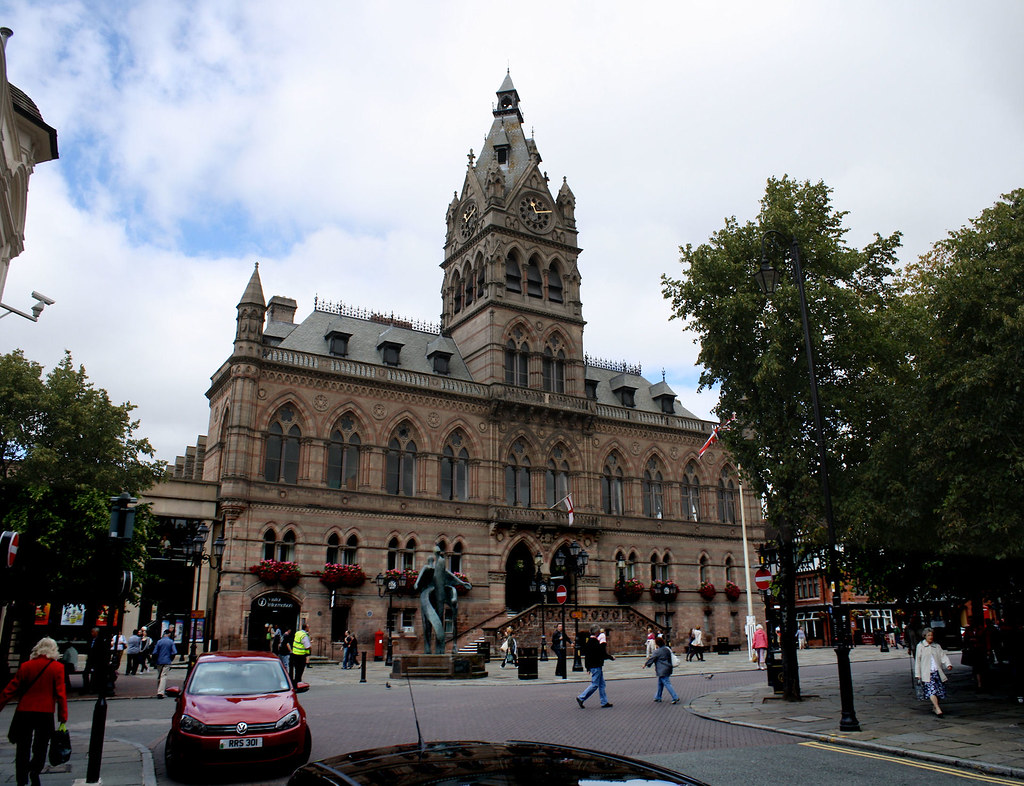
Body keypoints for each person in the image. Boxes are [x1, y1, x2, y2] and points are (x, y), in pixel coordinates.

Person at [0, 637, 68, 786]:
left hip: (24, 711)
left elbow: (10, 689)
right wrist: (63, 716)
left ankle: (21, 778)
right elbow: (61, 694)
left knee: (22, 747)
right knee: (41, 745)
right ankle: (35, 770)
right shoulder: (57, 668)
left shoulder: (26, 666)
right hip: (45, 712)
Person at [915, 626, 953, 717]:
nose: (930, 637)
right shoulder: (920, 646)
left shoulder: (936, 646)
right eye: (928, 635)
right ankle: (938, 708)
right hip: (927, 673)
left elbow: (943, 656)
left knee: (939, 691)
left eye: (931, 635)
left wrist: (948, 664)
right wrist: (918, 674)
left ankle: (935, 707)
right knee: (931, 691)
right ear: (925, 636)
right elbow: (918, 661)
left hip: (937, 672)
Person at [576, 625, 614, 708]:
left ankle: (604, 702)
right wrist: (611, 657)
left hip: (594, 666)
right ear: (596, 632)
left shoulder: (589, 642)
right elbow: (602, 653)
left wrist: (587, 667)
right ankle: (581, 697)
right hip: (596, 666)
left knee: (602, 684)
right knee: (595, 684)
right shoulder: (595, 642)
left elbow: (587, 656)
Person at [644, 635, 680, 704]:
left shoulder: (657, 651)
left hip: (661, 670)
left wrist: (646, 664)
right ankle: (658, 697)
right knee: (660, 683)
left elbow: (652, 659)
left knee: (666, 683)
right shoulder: (667, 649)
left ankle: (675, 697)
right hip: (668, 668)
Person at [154, 629, 178, 698]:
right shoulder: (171, 642)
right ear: (169, 634)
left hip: (159, 661)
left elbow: (155, 652)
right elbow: (174, 652)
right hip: (167, 660)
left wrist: (155, 660)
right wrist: (171, 659)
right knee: (163, 676)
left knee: (159, 676)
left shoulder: (159, 641)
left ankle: (159, 690)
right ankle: (160, 692)